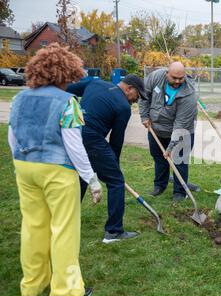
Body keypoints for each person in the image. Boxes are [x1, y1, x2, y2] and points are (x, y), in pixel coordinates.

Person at [8, 43, 102, 296]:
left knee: (33, 226)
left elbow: (12, 137)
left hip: (24, 167)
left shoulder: (19, 98)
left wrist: (21, 166)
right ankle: (66, 292)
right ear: (66, 73)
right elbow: (74, 145)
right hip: (57, 171)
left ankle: (32, 286)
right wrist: (91, 179)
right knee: (64, 229)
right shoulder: (68, 102)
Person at [67, 74, 146, 244]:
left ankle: (66, 222)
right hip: (91, 138)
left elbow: (66, 89)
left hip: (72, 135)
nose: (136, 101)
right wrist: (114, 168)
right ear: (129, 88)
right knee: (116, 182)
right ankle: (114, 232)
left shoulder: (95, 83)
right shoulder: (123, 106)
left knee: (82, 177)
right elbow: (116, 142)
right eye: (137, 96)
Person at [139, 62, 198, 202]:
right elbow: (144, 95)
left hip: (182, 131)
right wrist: (144, 116)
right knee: (159, 158)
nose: (177, 81)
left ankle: (179, 192)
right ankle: (159, 185)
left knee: (179, 161)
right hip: (156, 129)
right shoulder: (156, 77)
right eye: (174, 78)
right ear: (167, 73)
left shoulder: (189, 94)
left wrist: (171, 147)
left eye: (181, 78)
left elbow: (181, 124)